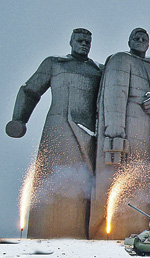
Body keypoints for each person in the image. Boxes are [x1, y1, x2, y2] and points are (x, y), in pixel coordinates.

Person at [6, 28, 102, 238]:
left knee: (81, 187)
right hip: (57, 130)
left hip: (87, 135)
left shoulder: (98, 71)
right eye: (80, 40)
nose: (84, 44)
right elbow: (30, 90)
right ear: (71, 41)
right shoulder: (55, 64)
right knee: (50, 183)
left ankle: (78, 234)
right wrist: (19, 119)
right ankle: (43, 232)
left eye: (88, 41)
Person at [90, 28, 150, 239]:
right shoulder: (120, 60)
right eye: (136, 37)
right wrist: (115, 134)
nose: (140, 41)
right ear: (129, 41)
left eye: (145, 38)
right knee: (120, 180)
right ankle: (112, 229)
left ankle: (146, 228)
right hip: (125, 133)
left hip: (148, 135)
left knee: (145, 182)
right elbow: (113, 96)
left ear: (149, 44)